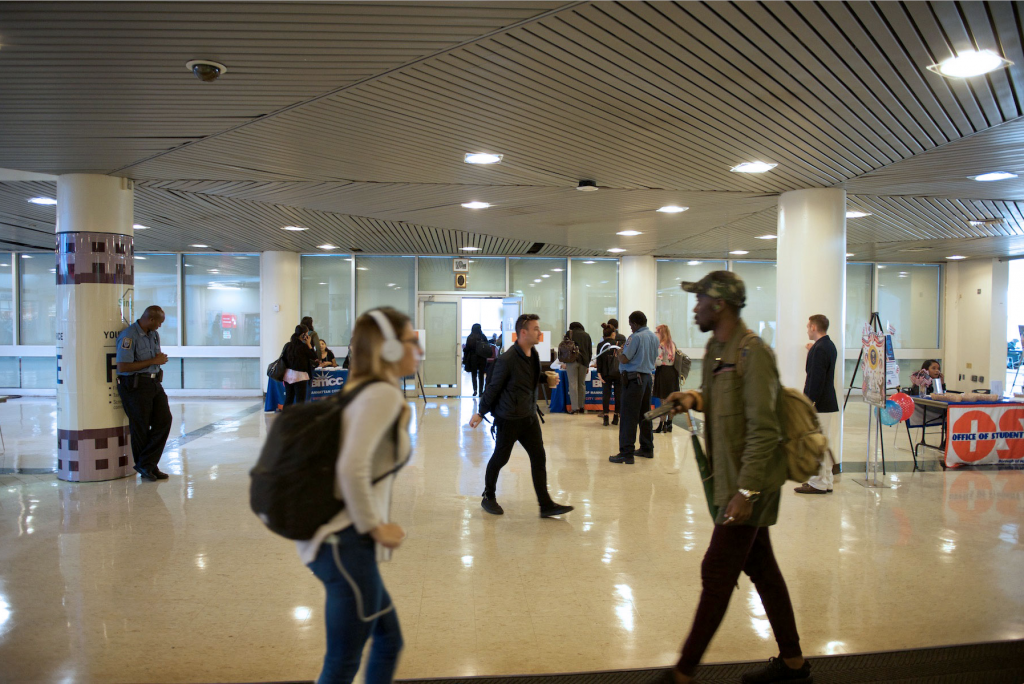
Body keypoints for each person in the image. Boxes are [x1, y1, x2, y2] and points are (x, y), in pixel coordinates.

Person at [664, 271, 808, 684]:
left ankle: (683, 672)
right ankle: (794, 665)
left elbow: (764, 429)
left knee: (717, 572)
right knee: (762, 568)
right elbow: (725, 401)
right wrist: (692, 397)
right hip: (730, 481)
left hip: (752, 484)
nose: (695, 308)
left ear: (719, 305)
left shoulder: (753, 353)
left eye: (699, 301)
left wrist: (746, 492)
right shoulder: (716, 349)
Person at [297, 307, 420, 684]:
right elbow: (351, 468)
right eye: (412, 342)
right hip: (344, 543)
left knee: (387, 641)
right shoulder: (380, 395)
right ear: (389, 349)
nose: (419, 351)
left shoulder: (362, 390)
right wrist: (375, 526)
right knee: (343, 662)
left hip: (341, 543)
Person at [470, 313, 574, 518]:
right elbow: (493, 388)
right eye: (536, 328)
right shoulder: (507, 359)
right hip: (509, 418)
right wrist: (481, 412)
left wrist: (546, 378)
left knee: (539, 457)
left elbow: (531, 378)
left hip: (528, 417)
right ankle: (488, 496)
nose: (540, 332)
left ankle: (545, 505)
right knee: (501, 457)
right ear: (523, 332)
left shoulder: (532, 353)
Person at [115, 305, 173, 482]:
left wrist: (157, 361)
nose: (160, 327)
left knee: (164, 421)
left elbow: (153, 357)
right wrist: (154, 360)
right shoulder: (129, 336)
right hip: (135, 385)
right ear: (151, 319)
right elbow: (123, 367)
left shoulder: (153, 334)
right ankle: (148, 467)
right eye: (159, 323)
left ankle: (146, 463)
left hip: (154, 382)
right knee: (140, 426)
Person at [795, 314, 839, 495]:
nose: (806, 329)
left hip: (819, 404)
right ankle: (826, 480)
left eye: (808, 326)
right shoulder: (827, 345)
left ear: (814, 327)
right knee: (823, 442)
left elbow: (816, 379)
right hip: (826, 402)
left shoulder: (820, 349)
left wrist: (810, 403)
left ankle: (818, 483)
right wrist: (811, 351)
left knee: (816, 444)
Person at [609, 311, 659, 464]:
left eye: (631, 324)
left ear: (636, 323)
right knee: (644, 415)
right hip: (647, 379)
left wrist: (618, 353)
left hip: (633, 380)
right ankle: (646, 447)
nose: (630, 327)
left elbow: (624, 358)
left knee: (628, 416)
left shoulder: (635, 337)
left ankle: (626, 452)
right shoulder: (653, 337)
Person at [652, 324, 680, 434]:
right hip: (673, 373)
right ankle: (670, 424)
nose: (656, 334)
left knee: (663, 400)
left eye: (657, 332)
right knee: (671, 399)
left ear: (661, 333)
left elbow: (658, 362)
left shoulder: (660, 346)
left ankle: (661, 425)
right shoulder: (673, 344)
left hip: (663, 373)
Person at [283, 324, 318, 407]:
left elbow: (283, 359)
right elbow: (314, 357)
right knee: (300, 400)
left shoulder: (288, 345)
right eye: (307, 333)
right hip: (300, 376)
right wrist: (309, 344)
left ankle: (285, 417)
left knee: (289, 398)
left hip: (288, 375)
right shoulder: (303, 347)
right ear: (303, 335)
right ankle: (299, 418)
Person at [596, 324, 622, 427]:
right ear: (612, 334)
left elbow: (599, 360)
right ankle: (616, 417)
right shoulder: (618, 343)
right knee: (618, 394)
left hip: (605, 373)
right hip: (617, 372)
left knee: (606, 395)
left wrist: (599, 372)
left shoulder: (600, 345)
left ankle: (606, 417)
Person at [564, 322, 593, 414]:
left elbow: (564, 348)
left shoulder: (569, 334)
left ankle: (574, 408)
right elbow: (590, 351)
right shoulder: (587, 335)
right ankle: (581, 407)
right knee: (581, 384)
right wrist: (587, 364)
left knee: (573, 384)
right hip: (584, 362)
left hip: (572, 361)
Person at [463, 323, 490, 397]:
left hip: (473, 358)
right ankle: (480, 391)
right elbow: (487, 345)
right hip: (482, 358)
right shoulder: (483, 336)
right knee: (481, 375)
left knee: (474, 374)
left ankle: (475, 390)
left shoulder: (470, 337)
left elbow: (467, 349)